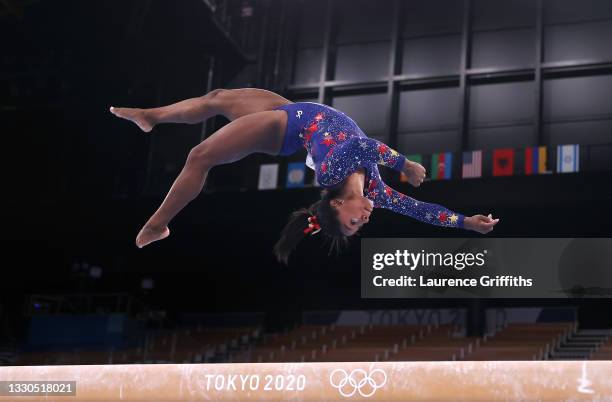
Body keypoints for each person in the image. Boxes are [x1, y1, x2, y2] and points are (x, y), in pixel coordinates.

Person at [109, 88, 499, 261]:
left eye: (351, 222)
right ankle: (151, 116)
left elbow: (362, 147)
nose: (362, 220)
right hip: (300, 111)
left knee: (200, 156)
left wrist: (405, 165)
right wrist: (467, 223)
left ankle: (157, 225)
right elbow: (421, 211)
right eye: (359, 226)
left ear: (338, 203)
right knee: (217, 98)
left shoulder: (332, 174)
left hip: (285, 127)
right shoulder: (375, 192)